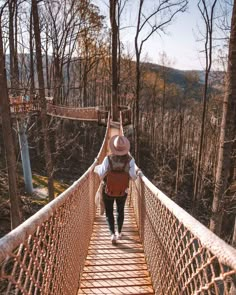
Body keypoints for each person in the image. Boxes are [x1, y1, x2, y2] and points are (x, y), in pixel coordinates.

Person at [94, 135, 139, 244]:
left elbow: (100, 173)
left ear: (113, 147)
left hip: (107, 189)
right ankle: (119, 232)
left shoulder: (107, 158)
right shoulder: (130, 160)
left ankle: (112, 234)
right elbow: (133, 176)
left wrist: (97, 166)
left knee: (109, 212)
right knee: (120, 210)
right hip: (123, 190)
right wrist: (135, 173)